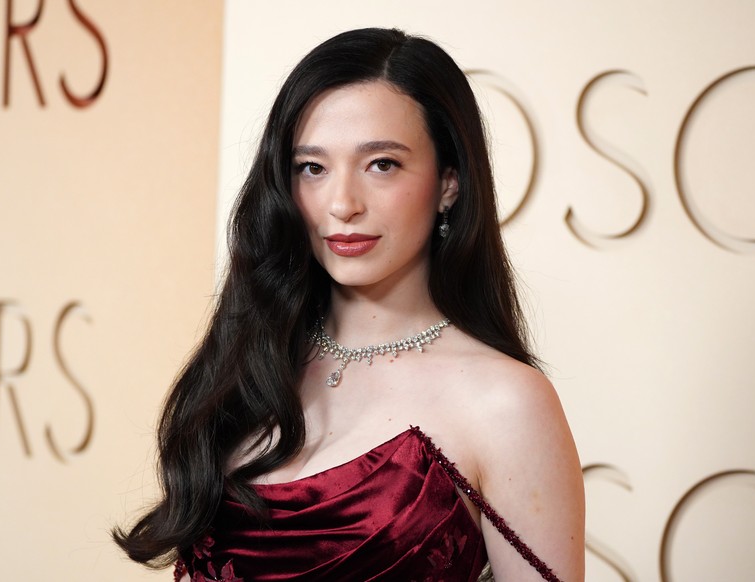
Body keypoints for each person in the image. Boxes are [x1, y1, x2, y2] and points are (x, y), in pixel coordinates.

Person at [114, 27, 584, 582]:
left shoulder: (506, 403)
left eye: (381, 164)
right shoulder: (249, 366)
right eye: (312, 168)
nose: (342, 204)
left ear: (449, 182)